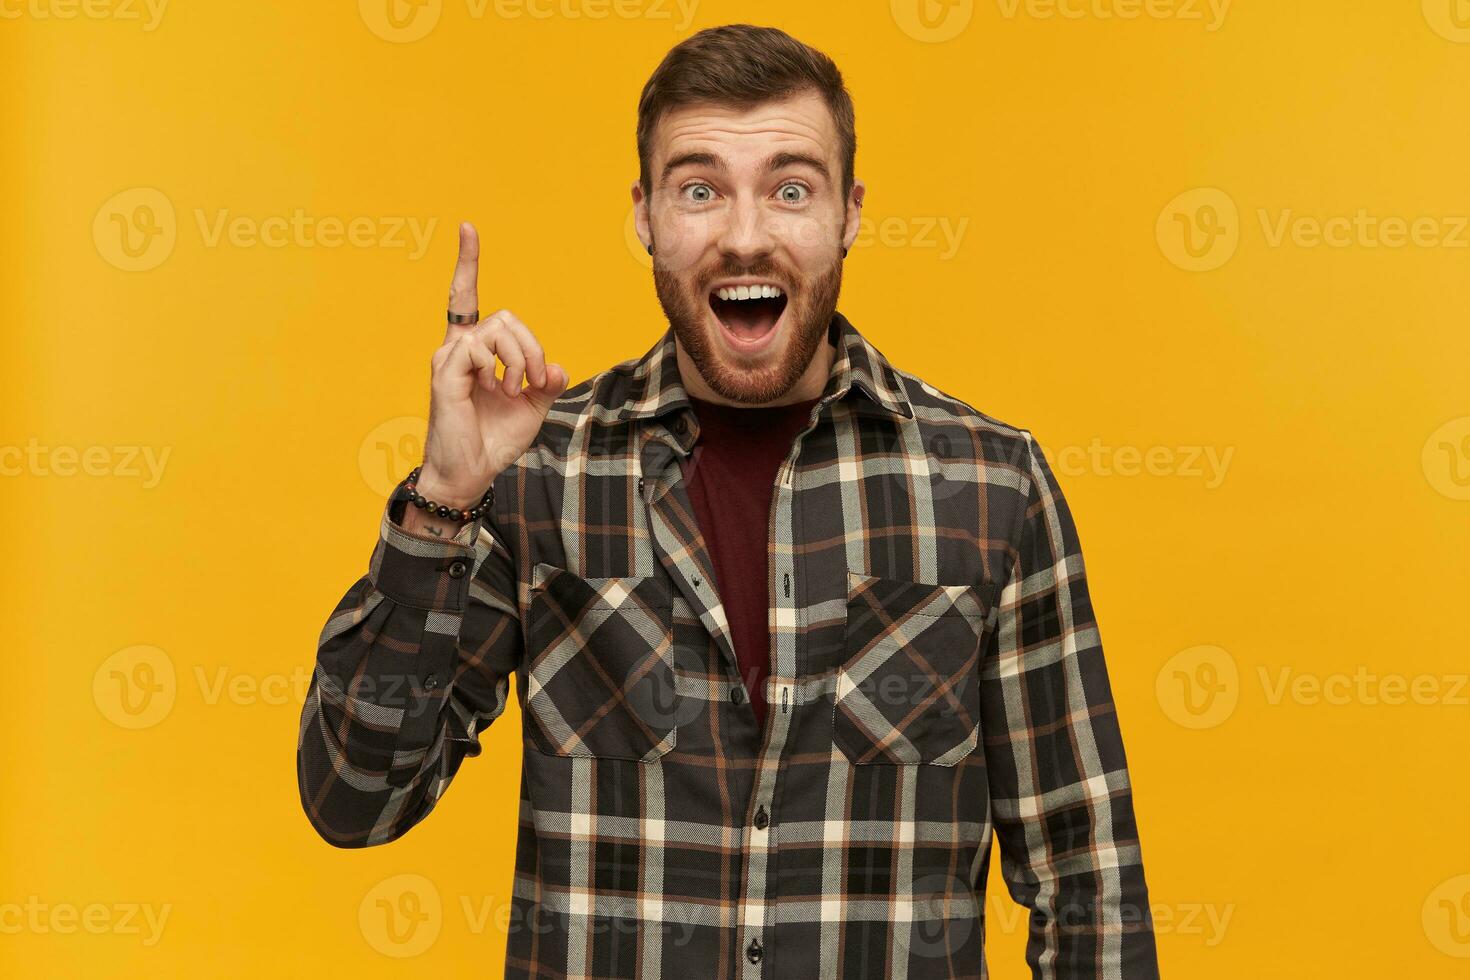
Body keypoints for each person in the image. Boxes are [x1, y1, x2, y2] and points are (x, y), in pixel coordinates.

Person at [296, 23, 1161, 979]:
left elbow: (1089, 884)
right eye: (699, 190)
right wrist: (446, 499)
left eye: (792, 189)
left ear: (850, 215)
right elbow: (352, 797)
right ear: (646, 219)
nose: (745, 235)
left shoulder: (991, 486)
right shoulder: (540, 473)